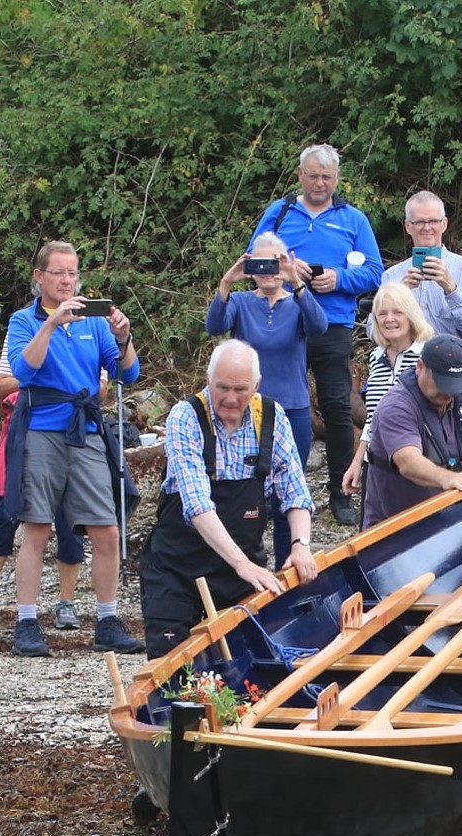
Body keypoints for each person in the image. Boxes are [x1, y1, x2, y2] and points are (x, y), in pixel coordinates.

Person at [2, 239, 143, 657]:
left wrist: (123, 335)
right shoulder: (23, 320)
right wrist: (51, 324)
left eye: (73, 273)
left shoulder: (93, 321)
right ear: (39, 276)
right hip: (43, 427)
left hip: (85, 427)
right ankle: (27, 621)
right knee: (37, 527)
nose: (67, 280)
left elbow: (127, 372)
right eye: (59, 272)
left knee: (106, 527)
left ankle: (107, 618)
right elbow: (25, 369)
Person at [140, 340, 318, 657]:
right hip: (177, 571)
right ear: (208, 380)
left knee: (247, 668)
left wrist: (300, 546)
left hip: (242, 573)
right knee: (172, 670)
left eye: (241, 389)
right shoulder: (185, 417)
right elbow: (197, 505)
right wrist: (242, 565)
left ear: (256, 386)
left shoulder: (273, 417)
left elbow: (294, 492)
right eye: (222, 387)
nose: (231, 398)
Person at [249, 144, 383, 526]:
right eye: (313, 175)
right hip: (282, 320)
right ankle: (266, 487)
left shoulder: (353, 219)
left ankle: (341, 491)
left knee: (338, 406)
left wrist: (338, 279)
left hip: (333, 321)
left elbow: (375, 272)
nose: (320, 183)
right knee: (269, 403)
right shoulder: (280, 213)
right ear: (300, 175)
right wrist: (288, 267)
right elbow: (251, 259)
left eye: (326, 177)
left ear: (337, 179)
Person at [205, 231, 326, 559]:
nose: (267, 270)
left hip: (292, 409)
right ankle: (241, 564)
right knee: (245, 495)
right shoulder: (242, 303)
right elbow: (215, 326)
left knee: (289, 496)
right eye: (260, 262)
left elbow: (319, 327)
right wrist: (227, 283)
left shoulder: (298, 304)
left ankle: (289, 567)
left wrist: (296, 282)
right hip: (246, 411)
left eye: (274, 262)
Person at [0, 350, 87, 629]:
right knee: (4, 511)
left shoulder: (86, 330)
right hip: (21, 433)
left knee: (69, 517)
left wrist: (42, 379)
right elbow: (3, 384)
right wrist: (47, 377)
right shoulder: (23, 328)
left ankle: (66, 603)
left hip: (70, 434)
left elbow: (100, 389)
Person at [361, 334, 462, 528]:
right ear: (420, 366)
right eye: (441, 382)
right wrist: (451, 478)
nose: (448, 392)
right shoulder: (395, 406)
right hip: (394, 529)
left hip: (452, 522)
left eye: (454, 384)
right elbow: (408, 461)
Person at [339, 281, 435, 502]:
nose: (389, 319)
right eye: (382, 314)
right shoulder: (377, 357)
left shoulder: (428, 356)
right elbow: (373, 417)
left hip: (418, 463)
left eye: (397, 312)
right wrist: (357, 463)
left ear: (410, 315)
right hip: (378, 464)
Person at [380, 190, 462, 340]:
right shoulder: (391, 276)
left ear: (444, 224)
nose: (426, 228)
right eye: (419, 222)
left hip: (449, 360)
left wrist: (451, 289)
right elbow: (374, 331)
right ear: (408, 226)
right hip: (405, 361)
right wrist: (399, 294)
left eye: (433, 221)